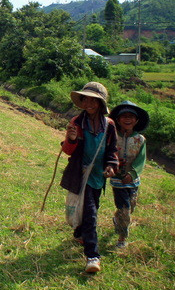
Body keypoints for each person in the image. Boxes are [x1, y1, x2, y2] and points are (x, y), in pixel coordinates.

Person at [59, 81, 119, 274]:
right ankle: (93, 256)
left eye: (95, 101)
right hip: (80, 173)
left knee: (92, 209)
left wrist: (111, 166)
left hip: (98, 176)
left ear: (101, 104)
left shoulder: (109, 125)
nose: (90, 104)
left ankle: (79, 233)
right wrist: (72, 139)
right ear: (82, 101)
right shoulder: (76, 123)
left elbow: (112, 151)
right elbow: (68, 150)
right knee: (90, 214)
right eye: (86, 100)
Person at [108, 100, 149, 249]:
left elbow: (140, 160)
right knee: (125, 209)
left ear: (136, 120)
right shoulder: (112, 136)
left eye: (131, 116)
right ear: (118, 120)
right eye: (124, 116)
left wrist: (132, 174)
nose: (127, 119)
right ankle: (122, 238)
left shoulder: (140, 140)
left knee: (131, 207)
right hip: (118, 180)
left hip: (133, 181)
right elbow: (108, 153)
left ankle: (117, 219)